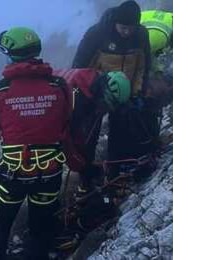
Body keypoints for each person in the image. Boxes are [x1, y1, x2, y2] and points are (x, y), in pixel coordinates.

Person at [0, 27, 133, 260]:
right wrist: (83, 167)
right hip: (49, 175)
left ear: (11, 55)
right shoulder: (60, 87)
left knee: (0, 226)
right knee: (41, 231)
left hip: (12, 176)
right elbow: (68, 136)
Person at [71, 0, 158, 194]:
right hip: (95, 94)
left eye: (131, 28)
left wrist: (137, 93)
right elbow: (79, 67)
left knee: (121, 132)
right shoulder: (97, 34)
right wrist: (91, 91)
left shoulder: (141, 35)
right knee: (89, 136)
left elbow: (143, 66)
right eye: (123, 28)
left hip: (124, 93)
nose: (127, 32)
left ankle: (113, 171)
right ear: (115, 23)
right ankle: (85, 179)